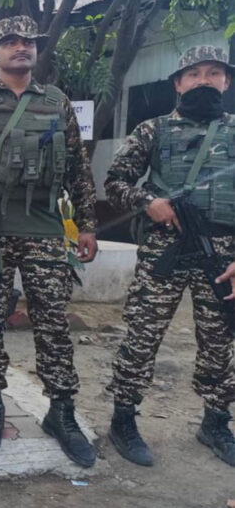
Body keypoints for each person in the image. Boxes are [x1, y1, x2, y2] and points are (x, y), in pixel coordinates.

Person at [0, 16, 99, 467]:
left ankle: (61, 411)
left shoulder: (57, 102)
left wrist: (86, 225)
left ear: (36, 49)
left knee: (53, 322)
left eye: (27, 41)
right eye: (10, 42)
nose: (20, 47)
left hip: (46, 228)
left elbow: (78, 169)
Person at [105, 45, 235, 467]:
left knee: (221, 341)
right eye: (194, 74)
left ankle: (216, 421)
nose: (204, 81)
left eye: (213, 73)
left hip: (223, 254)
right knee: (143, 334)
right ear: (178, 84)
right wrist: (149, 202)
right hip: (166, 247)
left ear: (226, 82)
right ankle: (124, 418)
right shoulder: (152, 130)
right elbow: (115, 181)